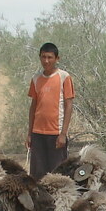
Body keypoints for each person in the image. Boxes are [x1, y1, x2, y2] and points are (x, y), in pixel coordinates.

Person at [26, 42, 74, 179]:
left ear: (57, 58)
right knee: (37, 175)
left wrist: (63, 134)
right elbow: (33, 106)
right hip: (38, 133)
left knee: (58, 175)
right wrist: (29, 134)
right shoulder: (36, 79)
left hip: (56, 133)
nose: (46, 61)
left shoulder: (64, 77)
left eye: (49, 57)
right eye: (43, 57)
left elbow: (69, 105)